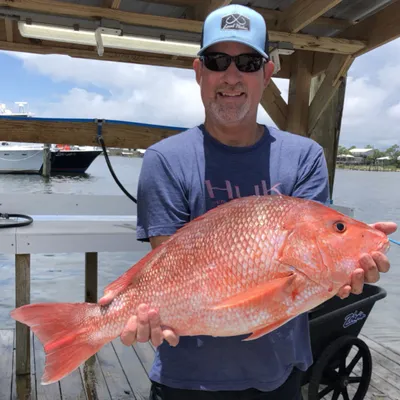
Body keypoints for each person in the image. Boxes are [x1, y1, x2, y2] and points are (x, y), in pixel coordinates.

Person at [99, 4, 397, 399]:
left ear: (267, 73)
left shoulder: (305, 156)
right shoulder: (165, 160)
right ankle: (89, 327)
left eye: (249, 62)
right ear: (199, 71)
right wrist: (134, 312)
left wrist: (345, 268)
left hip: (279, 374)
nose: (232, 75)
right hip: (184, 378)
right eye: (218, 60)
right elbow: (168, 265)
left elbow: (307, 275)